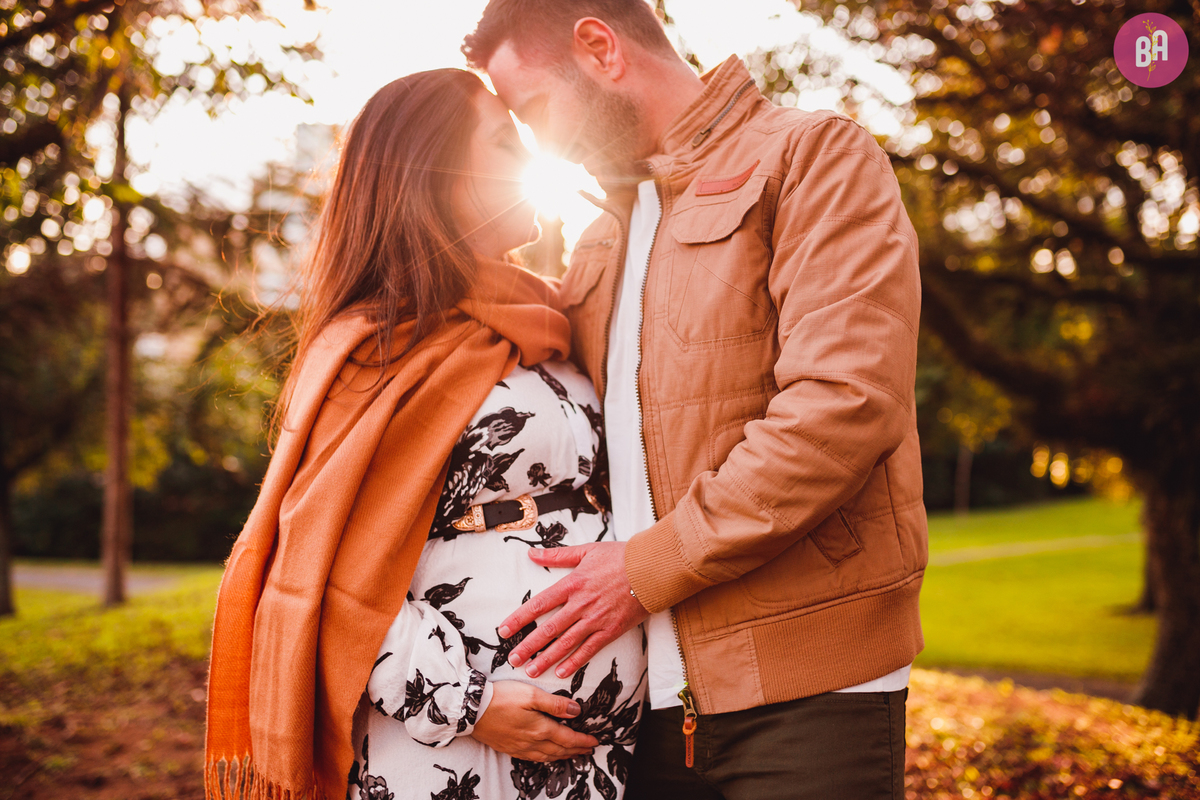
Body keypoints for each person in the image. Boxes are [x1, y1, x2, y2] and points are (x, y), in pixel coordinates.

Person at [462, 2, 928, 798]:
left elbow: (842, 406)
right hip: (642, 716)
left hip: (808, 706)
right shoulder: (600, 239)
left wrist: (642, 572)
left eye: (535, 110)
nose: (541, 144)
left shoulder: (812, 156)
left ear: (599, 47)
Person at [204, 69, 646, 800]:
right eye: (503, 142)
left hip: (593, 755)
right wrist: (468, 705)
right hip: (452, 753)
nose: (529, 155)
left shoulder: (541, 319)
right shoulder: (378, 350)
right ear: (434, 174)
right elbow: (326, 570)